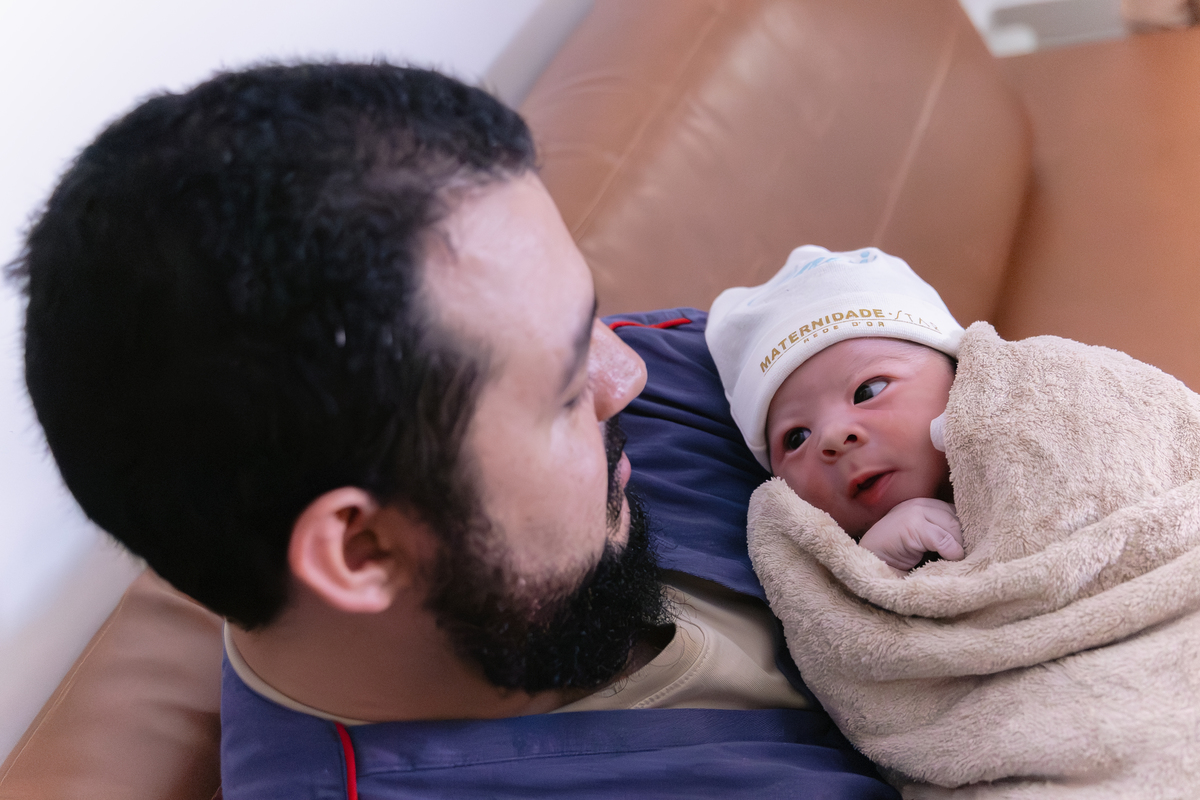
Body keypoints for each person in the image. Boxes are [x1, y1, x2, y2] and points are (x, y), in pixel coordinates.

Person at [10, 65, 898, 798]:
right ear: (363, 548)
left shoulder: (683, 377)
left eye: (590, 314)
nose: (626, 373)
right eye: (563, 393)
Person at [706, 245, 968, 574]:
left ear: (959, 372)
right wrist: (873, 570)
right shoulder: (807, 570)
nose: (832, 436)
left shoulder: (1024, 411)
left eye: (867, 391)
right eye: (796, 438)